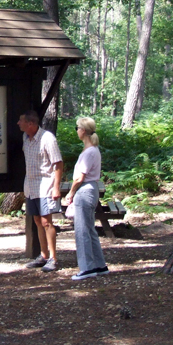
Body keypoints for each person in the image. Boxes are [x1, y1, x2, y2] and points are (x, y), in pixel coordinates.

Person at [63, 116, 109, 280]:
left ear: (83, 130)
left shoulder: (90, 151)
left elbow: (80, 177)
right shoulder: (92, 150)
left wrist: (71, 193)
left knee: (82, 230)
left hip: (85, 190)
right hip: (90, 189)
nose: (76, 131)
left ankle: (87, 268)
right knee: (89, 229)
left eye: (77, 128)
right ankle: (99, 265)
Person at [18, 109, 62, 271]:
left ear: (30, 123)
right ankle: (43, 256)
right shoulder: (26, 137)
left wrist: (56, 187)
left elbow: (58, 163)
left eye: (21, 120)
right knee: (37, 221)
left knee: (46, 222)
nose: (18, 123)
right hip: (31, 186)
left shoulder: (47, 138)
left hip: (46, 186)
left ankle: (53, 258)